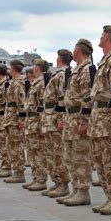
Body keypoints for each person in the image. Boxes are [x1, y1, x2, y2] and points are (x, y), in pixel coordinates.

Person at [88, 25, 111, 215]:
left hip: (108, 117)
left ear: (108, 37)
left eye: (102, 34)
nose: (100, 37)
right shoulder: (104, 61)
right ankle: (110, 197)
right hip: (98, 118)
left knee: (110, 160)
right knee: (100, 160)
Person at [59, 39, 95, 206]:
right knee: (70, 157)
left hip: (78, 118)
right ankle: (75, 188)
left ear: (79, 50)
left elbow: (87, 98)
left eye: (74, 49)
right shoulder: (76, 70)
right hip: (70, 118)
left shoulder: (86, 69)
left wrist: (84, 121)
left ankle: (83, 191)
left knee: (80, 157)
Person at [44, 49, 72, 198]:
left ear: (59, 59)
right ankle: (57, 182)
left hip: (56, 118)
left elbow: (62, 98)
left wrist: (60, 119)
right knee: (52, 153)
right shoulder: (58, 74)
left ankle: (63, 184)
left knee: (59, 153)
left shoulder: (62, 75)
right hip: (50, 118)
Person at [22, 59, 50, 191]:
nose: (32, 68)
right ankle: (36, 178)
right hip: (31, 121)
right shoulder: (36, 82)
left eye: (34, 66)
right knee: (33, 152)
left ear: (38, 67)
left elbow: (43, 106)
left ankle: (41, 179)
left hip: (37, 122)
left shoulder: (42, 82)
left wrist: (41, 124)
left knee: (39, 152)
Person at [3, 60, 27, 183]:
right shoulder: (14, 82)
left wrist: (21, 120)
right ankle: (16, 171)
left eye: (10, 68)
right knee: (12, 146)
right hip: (10, 119)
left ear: (13, 68)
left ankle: (19, 172)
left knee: (17, 146)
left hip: (15, 120)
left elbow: (21, 102)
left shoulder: (18, 83)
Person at [0, 64, 12, 178]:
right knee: (0, 144)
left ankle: (7, 167)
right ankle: (4, 166)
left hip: (2, 117)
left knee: (4, 145)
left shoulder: (6, 84)